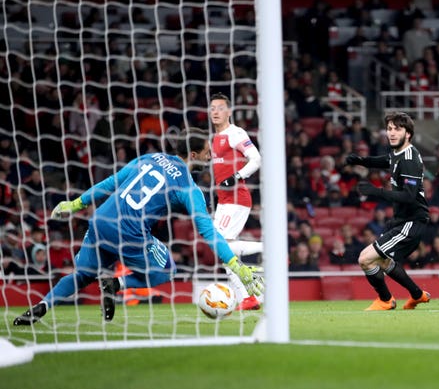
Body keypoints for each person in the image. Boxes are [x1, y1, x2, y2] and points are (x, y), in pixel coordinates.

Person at [14, 128, 263, 326]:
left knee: (82, 275)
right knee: (168, 270)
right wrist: (234, 264)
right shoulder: (189, 187)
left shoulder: (149, 157)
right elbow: (207, 231)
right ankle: (117, 285)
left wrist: (76, 204)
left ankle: (41, 307)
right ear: (194, 156)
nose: (211, 157)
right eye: (207, 152)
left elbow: (112, 182)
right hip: (130, 232)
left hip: (101, 221)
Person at [345, 112, 431, 310]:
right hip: (403, 220)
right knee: (383, 261)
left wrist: (376, 191)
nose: (392, 133)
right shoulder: (398, 152)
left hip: (412, 222)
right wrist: (362, 160)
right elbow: (387, 160)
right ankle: (417, 295)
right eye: (389, 129)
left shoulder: (409, 158)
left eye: (397, 129)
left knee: (366, 259)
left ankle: (385, 300)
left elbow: (409, 196)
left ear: (408, 133)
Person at [209, 93, 264, 311]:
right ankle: (248, 298)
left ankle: (273, 250)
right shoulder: (214, 138)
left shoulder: (235, 133)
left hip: (237, 198)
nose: (215, 112)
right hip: (224, 200)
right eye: (212, 108)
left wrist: (237, 176)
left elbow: (256, 158)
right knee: (224, 251)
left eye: (220, 108)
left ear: (229, 111)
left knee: (221, 246)